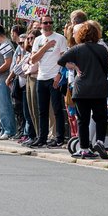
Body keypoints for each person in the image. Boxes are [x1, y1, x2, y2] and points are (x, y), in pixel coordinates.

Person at [58, 21, 108, 159]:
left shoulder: (77, 49)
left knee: (82, 119)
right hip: (99, 88)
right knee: (101, 117)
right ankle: (99, 141)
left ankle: (84, 148)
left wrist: (75, 67)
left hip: (81, 89)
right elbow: (107, 69)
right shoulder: (102, 49)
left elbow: (61, 60)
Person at [29, 15, 69, 148]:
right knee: (42, 110)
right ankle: (42, 137)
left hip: (54, 76)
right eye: (45, 23)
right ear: (40, 24)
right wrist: (45, 47)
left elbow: (64, 58)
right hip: (41, 76)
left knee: (57, 109)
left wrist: (59, 74)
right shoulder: (38, 40)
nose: (48, 25)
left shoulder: (60, 38)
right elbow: (33, 59)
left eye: (50, 22)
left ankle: (59, 138)